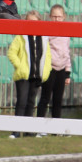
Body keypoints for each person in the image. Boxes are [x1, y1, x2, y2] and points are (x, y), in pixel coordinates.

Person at [7, 10, 50, 138]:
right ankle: (16, 131)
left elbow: (47, 57)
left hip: (36, 75)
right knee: (22, 101)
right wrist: (19, 66)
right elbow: (11, 53)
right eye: (29, 21)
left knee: (31, 102)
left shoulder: (43, 38)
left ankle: (28, 130)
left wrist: (45, 72)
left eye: (34, 21)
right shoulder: (21, 37)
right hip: (23, 76)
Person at [36, 4, 71, 123]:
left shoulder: (66, 32)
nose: (57, 19)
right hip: (50, 68)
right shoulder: (48, 31)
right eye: (54, 16)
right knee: (45, 98)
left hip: (61, 69)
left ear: (64, 17)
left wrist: (67, 72)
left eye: (59, 16)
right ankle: (39, 125)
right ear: (50, 17)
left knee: (58, 99)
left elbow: (67, 52)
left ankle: (56, 127)